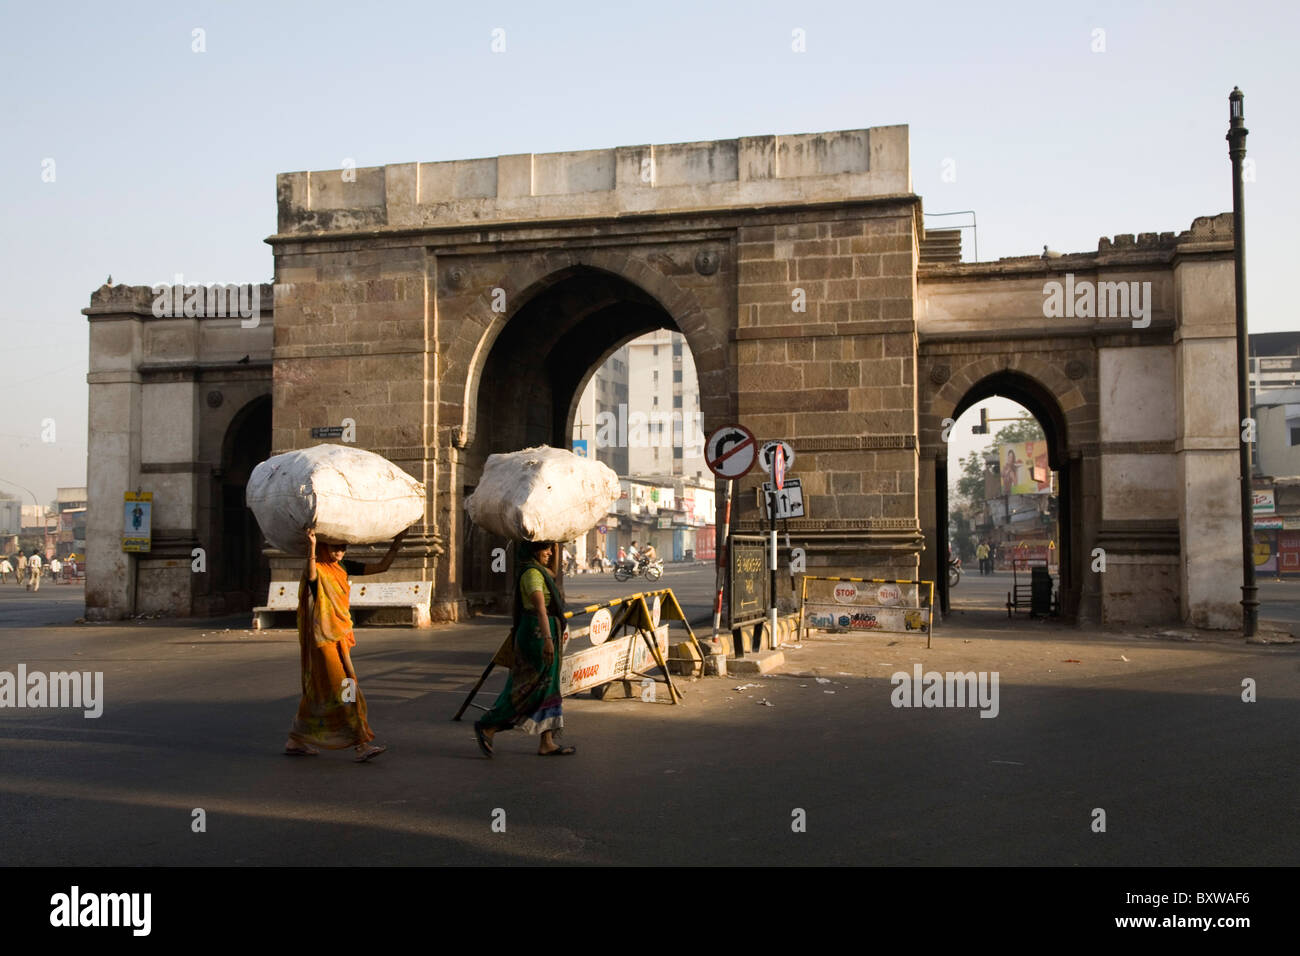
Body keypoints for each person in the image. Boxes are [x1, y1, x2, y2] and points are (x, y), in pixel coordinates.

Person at [283, 526, 405, 761]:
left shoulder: (343, 567)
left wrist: (397, 543)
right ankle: (360, 744)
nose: (340, 551)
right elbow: (310, 575)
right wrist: (311, 548)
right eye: (335, 547)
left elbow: (382, 567)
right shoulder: (317, 568)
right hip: (323, 641)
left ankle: (295, 739)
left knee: (320, 690)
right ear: (325, 546)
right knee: (346, 689)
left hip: (340, 637)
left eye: (343, 547)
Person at [473, 540, 574, 757]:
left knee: (548, 686)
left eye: (549, 549)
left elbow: (553, 573)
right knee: (529, 687)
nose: (548, 552)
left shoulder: (539, 571)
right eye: (545, 549)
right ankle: (488, 726)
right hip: (537, 634)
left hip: (544, 632)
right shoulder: (531, 575)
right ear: (533, 551)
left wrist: (556, 547)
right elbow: (540, 610)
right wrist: (548, 639)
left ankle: (546, 742)